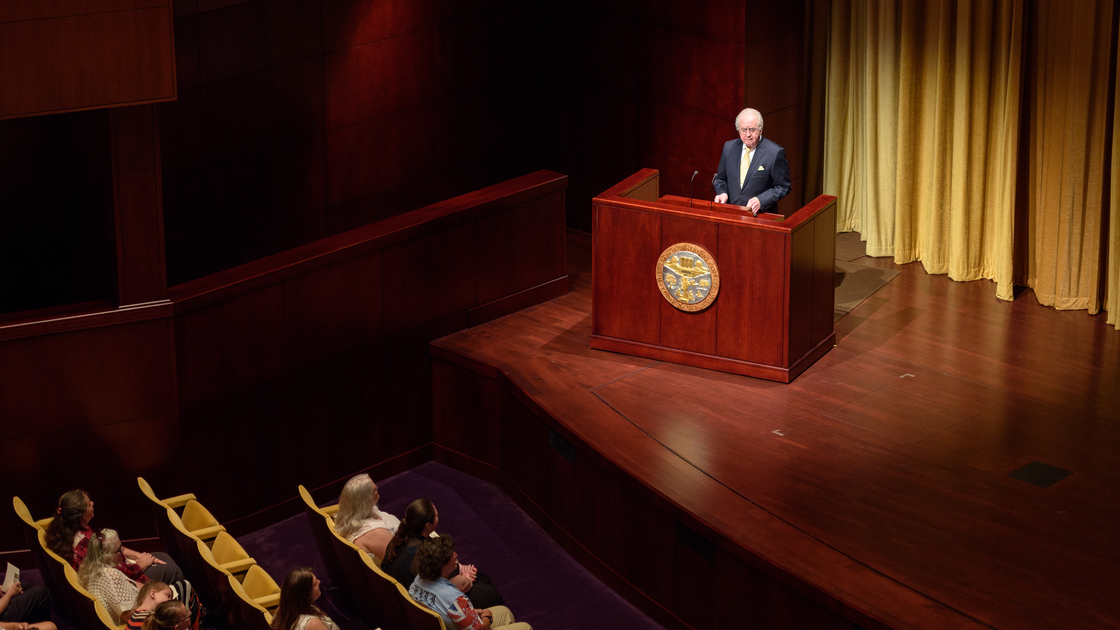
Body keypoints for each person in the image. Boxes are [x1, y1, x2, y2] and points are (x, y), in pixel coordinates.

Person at [44, 489, 184, 584]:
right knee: (173, 570)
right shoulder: (83, 543)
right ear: (81, 515)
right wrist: (142, 563)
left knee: (163, 557)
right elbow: (116, 573)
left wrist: (138, 556)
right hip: (118, 581)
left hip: (117, 566)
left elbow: (111, 550)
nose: (93, 503)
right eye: (88, 504)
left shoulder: (72, 527)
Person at [383, 499, 503, 609]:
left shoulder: (399, 538)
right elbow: (438, 589)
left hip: (399, 594)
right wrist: (465, 578)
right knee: (488, 592)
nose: (438, 515)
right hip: (419, 602)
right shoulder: (422, 554)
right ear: (428, 525)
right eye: (436, 515)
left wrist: (460, 570)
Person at [79, 529, 201, 627]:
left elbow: (133, 586)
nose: (122, 552)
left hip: (145, 603)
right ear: (107, 556)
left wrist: (153, 591)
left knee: (179, 587)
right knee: (185, 587)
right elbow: (130, 616)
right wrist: (154, 605)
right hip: (145, 618)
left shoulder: (92, 568)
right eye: (119, 549)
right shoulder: (109, 576)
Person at [409, 536, 530, 630]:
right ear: (442, 567)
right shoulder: (455, 599)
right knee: (526, 627)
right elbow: (479, 628)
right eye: (452, 555)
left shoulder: (418, 580)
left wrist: (470, 612)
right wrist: (486, 617)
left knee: (505, 612)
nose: (456, 555)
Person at [712, 107, 791, 216]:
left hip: (760, 217)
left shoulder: (774, 153)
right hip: (731, 214)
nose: (748, 134)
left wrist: (761, 200)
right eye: (744, 130)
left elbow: (783, 187)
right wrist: (722, 193)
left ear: (760, 130)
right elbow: (720, 179)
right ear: (738, 130)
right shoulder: (729, 148)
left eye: (752, 129)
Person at [332, 474, 400, 560]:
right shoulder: (376, 533)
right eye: (375, 490)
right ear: (366, 499)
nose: (378, 491)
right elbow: (398, 561)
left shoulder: (349, 513)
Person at [269, 568, 339, 630]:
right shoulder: (313, 624)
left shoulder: (283, 610)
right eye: (315, 584)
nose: (319, 582)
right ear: (307, 595)